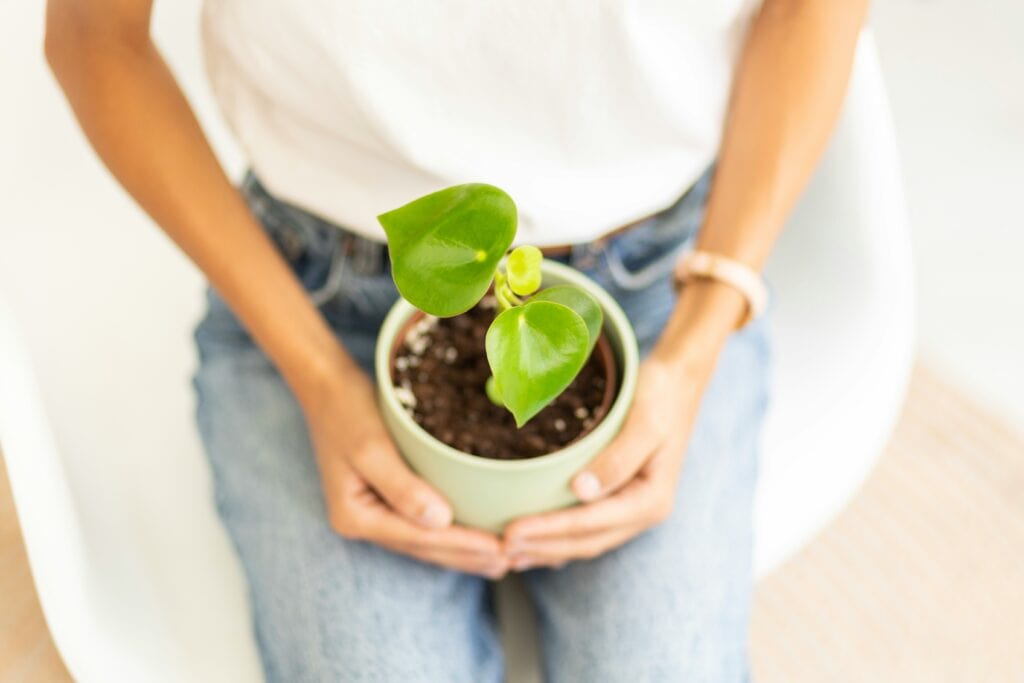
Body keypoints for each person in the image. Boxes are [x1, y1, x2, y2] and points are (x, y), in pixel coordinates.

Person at [44, 0, 868, 680]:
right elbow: (93, 37)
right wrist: (322, 379)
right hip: (319, 292)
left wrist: (697, 341)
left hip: (661, 289)